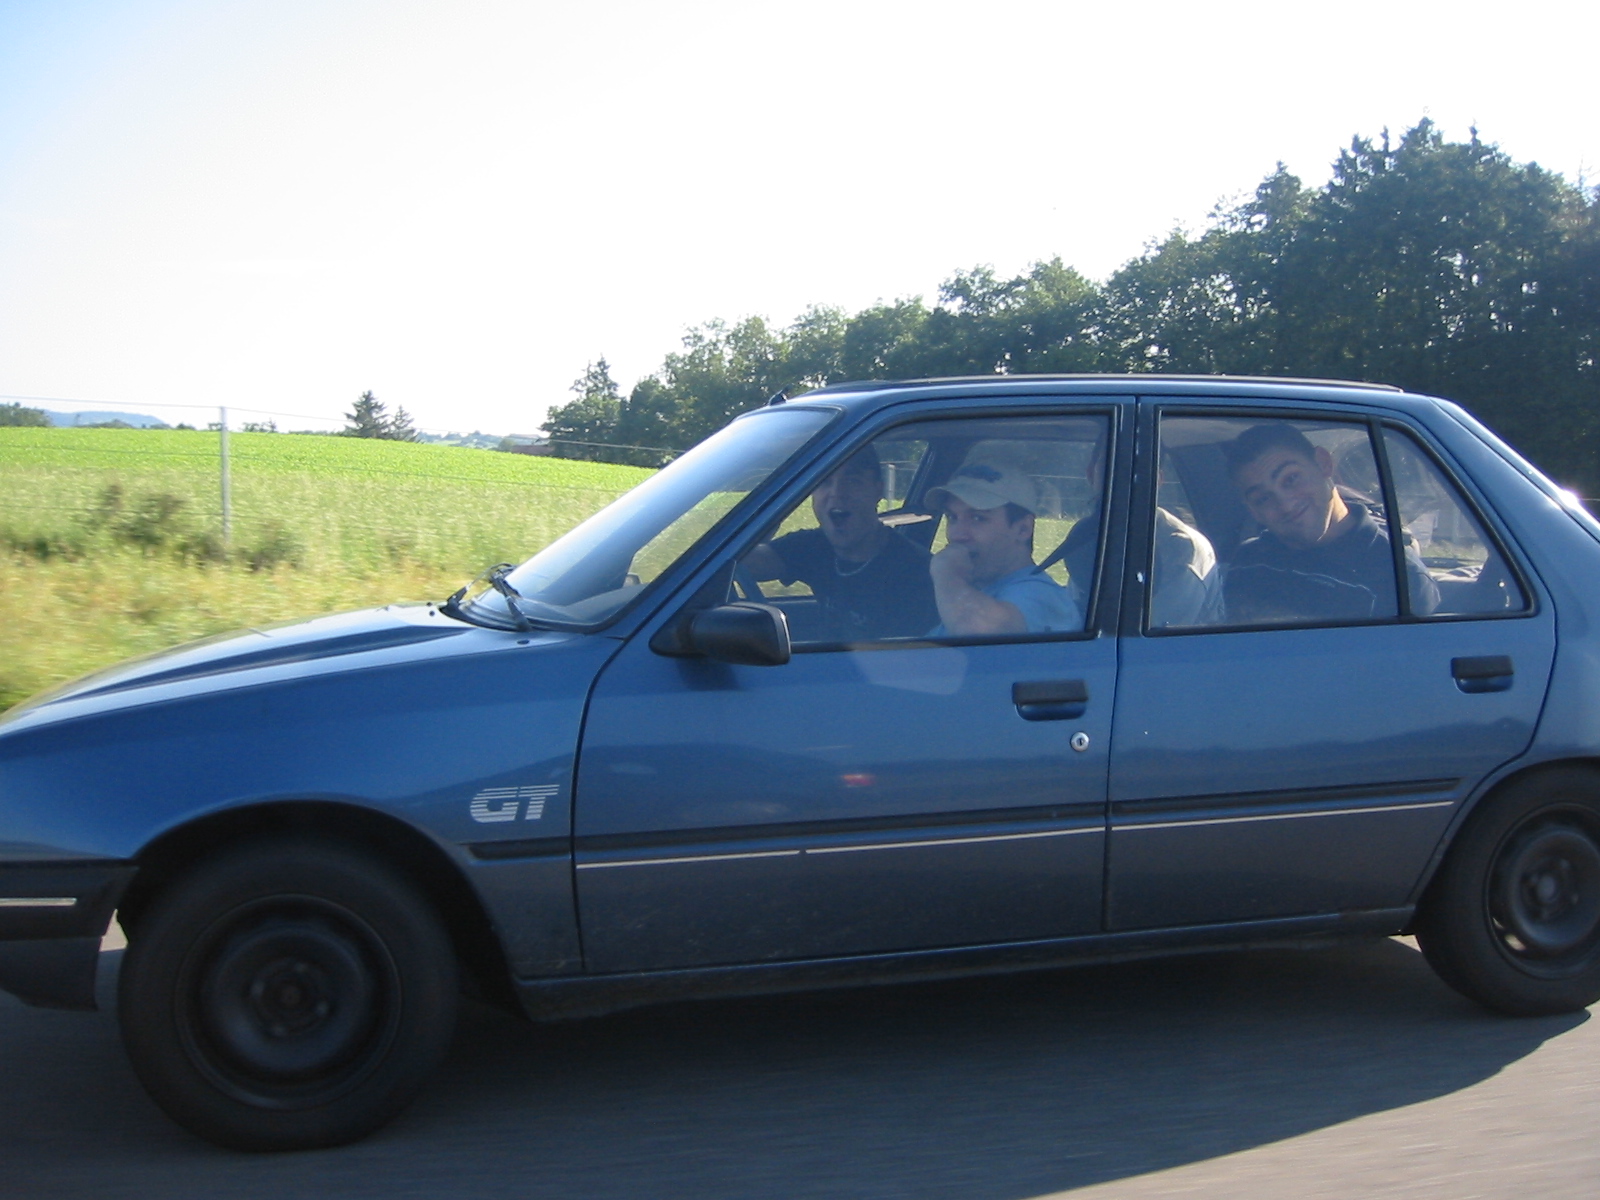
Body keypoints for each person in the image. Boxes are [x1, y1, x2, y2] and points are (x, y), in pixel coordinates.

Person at [1222, 423, 1439, 623]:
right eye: (1263, 498)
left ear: (1323, 463)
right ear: (1253, 510)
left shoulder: (1398, 578)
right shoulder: (1249, 562)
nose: (1285, 505)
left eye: (1291, 479)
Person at [742, 444, 939, 640]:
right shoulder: (815, 546)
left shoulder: (915, 572)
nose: (837, 493)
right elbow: (740, 563)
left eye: (853, 481)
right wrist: (776, 505)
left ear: (878, 489)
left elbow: (904, 662)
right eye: (824, 482)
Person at [924, 458, 1081, 636]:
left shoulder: (1041, 596)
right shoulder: (979, 593)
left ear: (1023, 529)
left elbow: (975, 632)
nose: (957, 535)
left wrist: (947, 574)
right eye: (952, 517)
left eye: (977, 518)